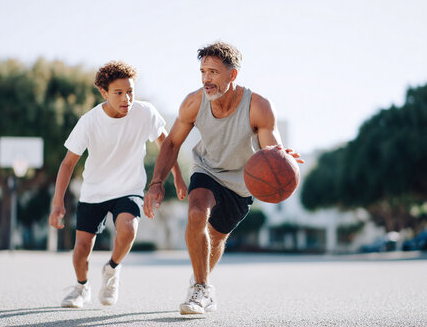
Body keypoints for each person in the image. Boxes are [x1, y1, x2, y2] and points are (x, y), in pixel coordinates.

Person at [144, 41, 304, 315]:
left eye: (214, 72)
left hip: (243, 182)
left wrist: (281, 160)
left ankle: (200, 280)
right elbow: (171, 144)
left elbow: (270, 151)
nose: (206, 79)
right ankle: (201, 289)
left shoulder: (258, 107)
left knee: (216, 239)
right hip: (207, 170)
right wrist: (157, 182)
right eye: (203, 71)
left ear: (233, 75)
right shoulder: (194, 103)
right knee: (196, 212)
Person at [49, 61, 187, 308]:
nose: (127, 98)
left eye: (130, 91)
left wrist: (176, 175)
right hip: (94, 191)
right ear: (104, 93)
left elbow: (167, 145)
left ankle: (112, 269)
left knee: (128, 228)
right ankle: (81, 287)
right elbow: (68, 163)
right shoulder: (89, 122)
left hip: (129, 188)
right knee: (81, 249)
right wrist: (58, 202)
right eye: (119, 93)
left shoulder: (145, 113)